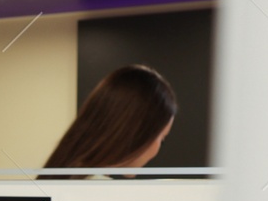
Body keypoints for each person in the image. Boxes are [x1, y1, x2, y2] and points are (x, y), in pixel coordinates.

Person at [42, 64, 177, 179]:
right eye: (162, 138)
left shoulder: (66, 177)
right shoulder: (103, 194)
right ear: (137, 132)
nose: (157, 149)